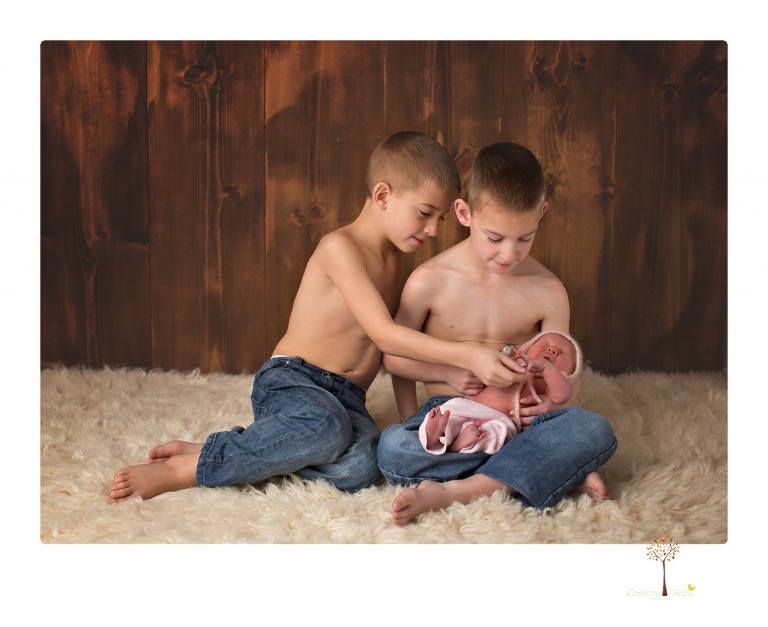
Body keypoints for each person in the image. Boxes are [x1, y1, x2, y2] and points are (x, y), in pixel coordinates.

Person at [108, 131, 527, 504]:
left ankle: (242, 447)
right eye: (425, 213)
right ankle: (187, 468)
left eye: (439, 218)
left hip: (348, 399)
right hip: (294, 380)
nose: (434, 229)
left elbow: (394, 356)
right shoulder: (340, 249)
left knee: (362, 468)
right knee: (325, 429)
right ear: (383, 196)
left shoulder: (401, 264)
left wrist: (408, 418)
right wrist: (466, 355)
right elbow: (386, 335)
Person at [377, 142, 617, 525]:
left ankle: (458, 489)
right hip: (456, 426)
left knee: (595, 428)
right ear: (464, 213)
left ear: (541, 213)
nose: (508, 254)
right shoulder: (430, 281)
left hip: (524, 426)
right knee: (392, 448)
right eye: (495, 238)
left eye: (525, 238)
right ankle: (543, 472)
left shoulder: (548, 290)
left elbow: (567, 372)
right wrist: (439, 388)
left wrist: (553, 409)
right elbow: (393, 356)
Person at [420, 330, 581, 455]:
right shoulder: (512, 363)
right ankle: (434, 434)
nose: (552, 350)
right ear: (527, 348)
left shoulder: (547, 384)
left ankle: (461, 447)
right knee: (446, 412)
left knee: (497, 435)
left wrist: (549, 369)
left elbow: (562, 395)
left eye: (563, 353)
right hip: (469, 406)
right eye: (545, 343)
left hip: (499, 420)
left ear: (570, 372)